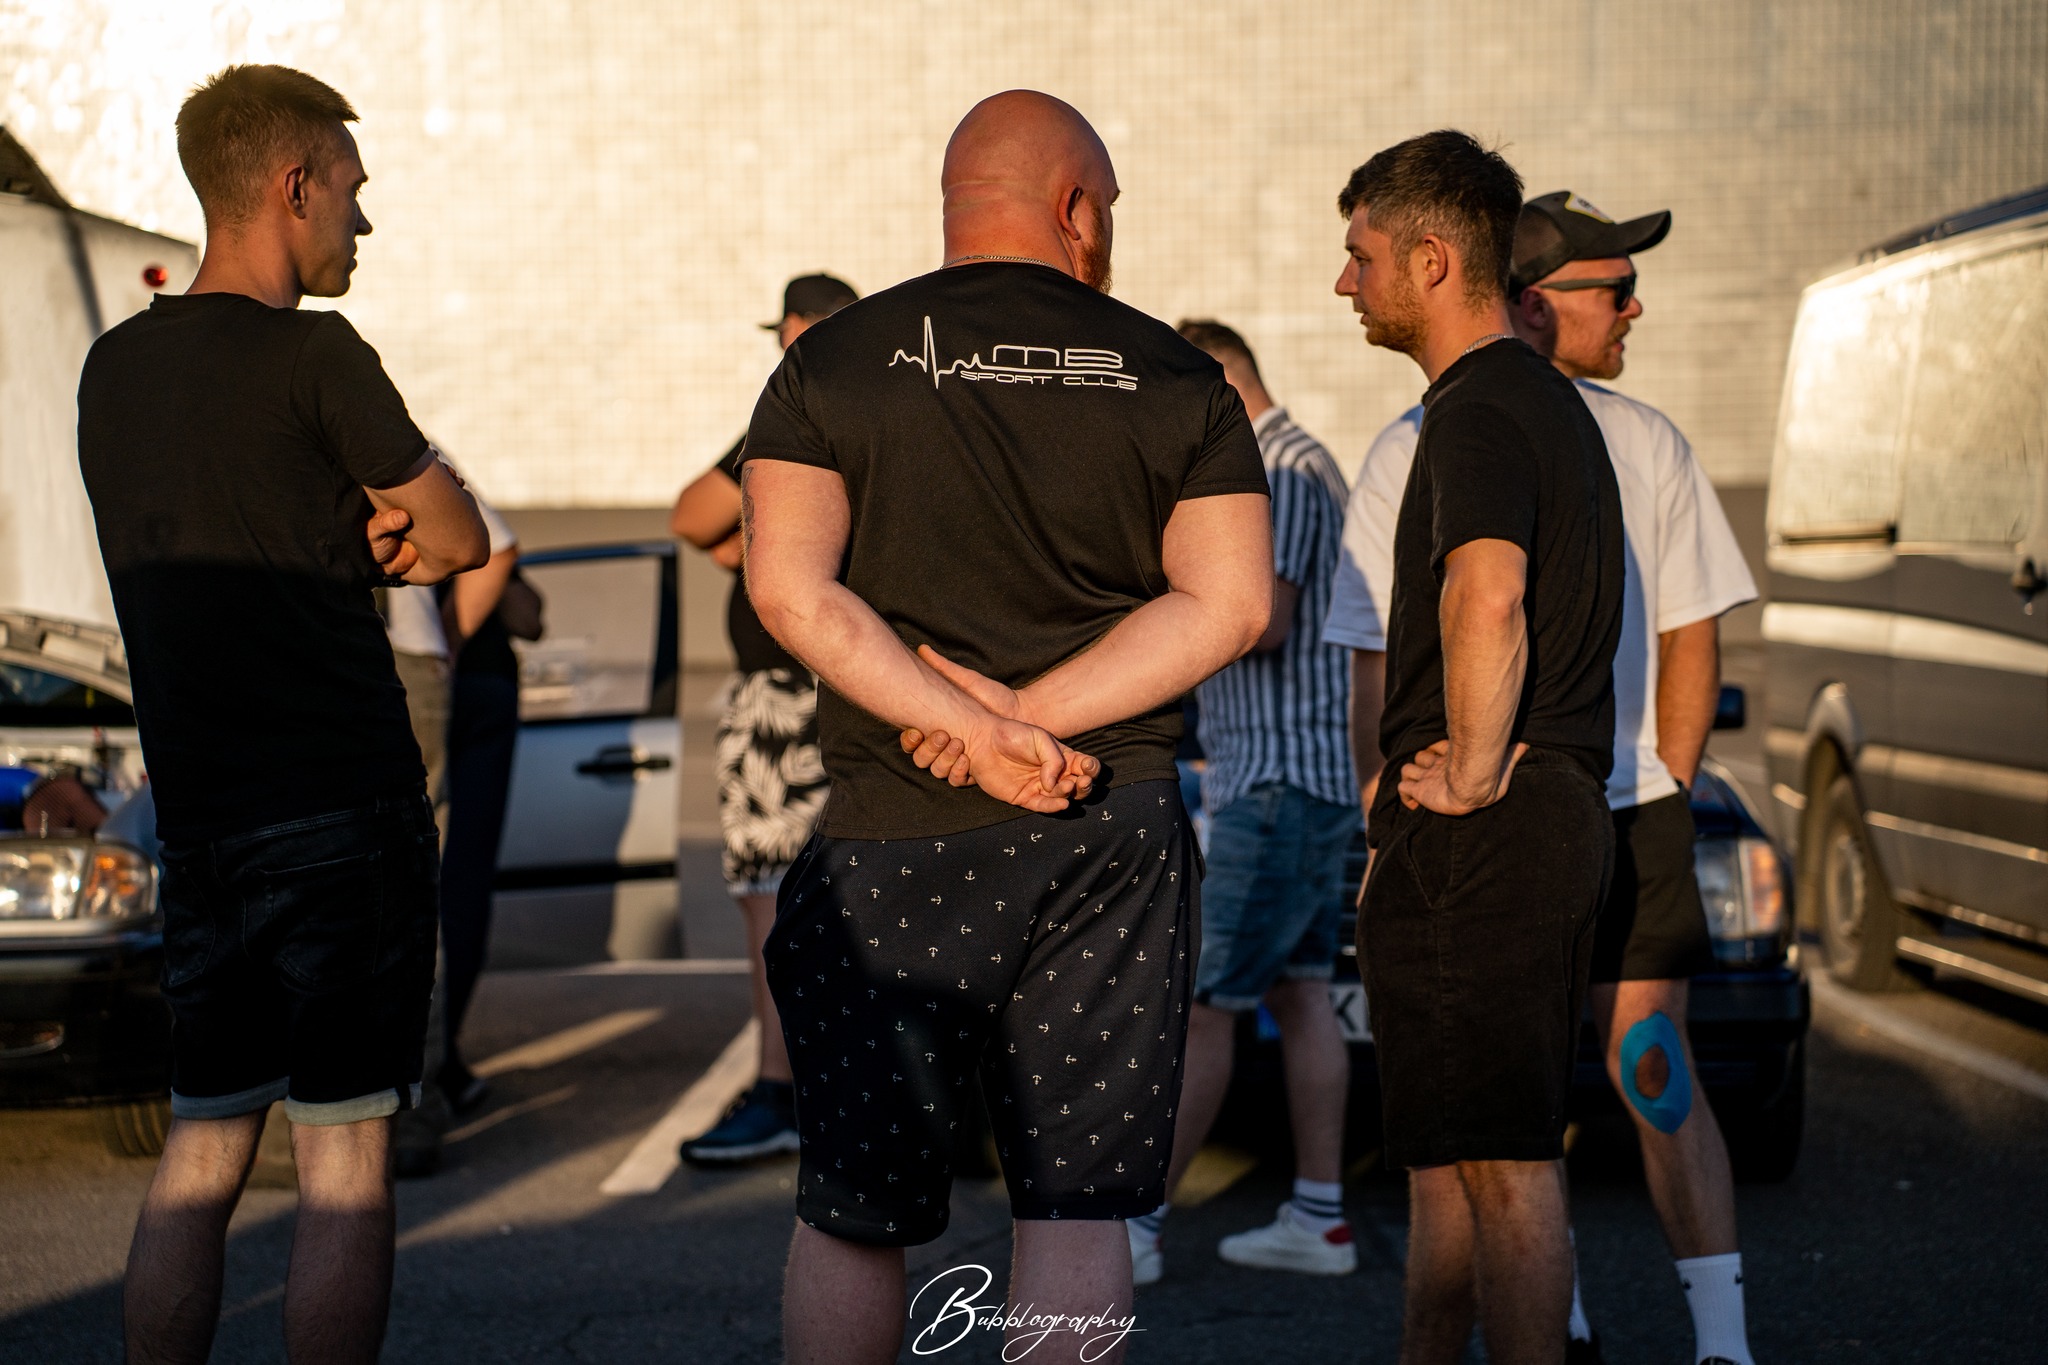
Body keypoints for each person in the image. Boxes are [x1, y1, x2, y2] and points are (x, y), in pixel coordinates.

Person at [741, 91, 1273, 1365]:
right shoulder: (1177, 377)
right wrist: (1028, 722)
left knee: (857, 1210)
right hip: (1106, 831)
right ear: (1074, 209)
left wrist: (972, 729)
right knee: (1074, 1206)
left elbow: (788, 588)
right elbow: (1230, 602)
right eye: (1110, 210)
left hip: (893, 830)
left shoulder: (829, 362)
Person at [76, 65, 487, 1364]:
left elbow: (221, 535)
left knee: (203, 1148)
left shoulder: (113, 370)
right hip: (343, 813)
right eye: (352, 192)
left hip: (201, 822)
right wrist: (369, 533)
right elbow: (457, 535)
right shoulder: (319, 355)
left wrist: (337, 537)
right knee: (346, 1162)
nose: (364, 220)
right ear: (292, 186)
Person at [1326, 190, 1760, 1365]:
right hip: (1528, 803)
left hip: (1581, 802)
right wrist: (1386, 800)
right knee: (1509, 1113)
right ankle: (1566, 1324)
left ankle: (1716, 1340)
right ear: (1527, 298)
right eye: (1610, 287)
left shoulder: (1622, 435)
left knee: (1614, 1082)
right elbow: (1379, 645)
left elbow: (1680, 631)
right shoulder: (1435, 435)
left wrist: (1659, 783)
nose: (1631, 308)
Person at [1331, 131, 1624, 1365]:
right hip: (1514, 826)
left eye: (1360, 256)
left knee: (1500, 1165)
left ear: (1430, 259)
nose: (1343, 282)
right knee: (1451, 1164)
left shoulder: (1481, 407)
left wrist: (1463, 762)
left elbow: (1487, 594)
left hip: (1490, 832)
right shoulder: (1526, 402)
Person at [1124, 319, 1359, 1286]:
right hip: (1290, 780)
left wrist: (1157, 609)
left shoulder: (1284, 469)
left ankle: (1138, 1228)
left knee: (1206, 1002)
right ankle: (1321, 1216)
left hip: (1279, 783)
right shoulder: (1285, 461)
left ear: (1217, 383)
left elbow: (1265, 619)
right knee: (1302, 995)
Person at [669, 273, 854, 1164]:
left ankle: (782, 1091)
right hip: (843, 685)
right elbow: (719, 537)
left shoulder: (797, 415)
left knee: (772, 904)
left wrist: (764, 536)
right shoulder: (877, 418)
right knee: (832, 906)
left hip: (788, 697)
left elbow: (692, 514)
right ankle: (827, 1086)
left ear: (799, 330)